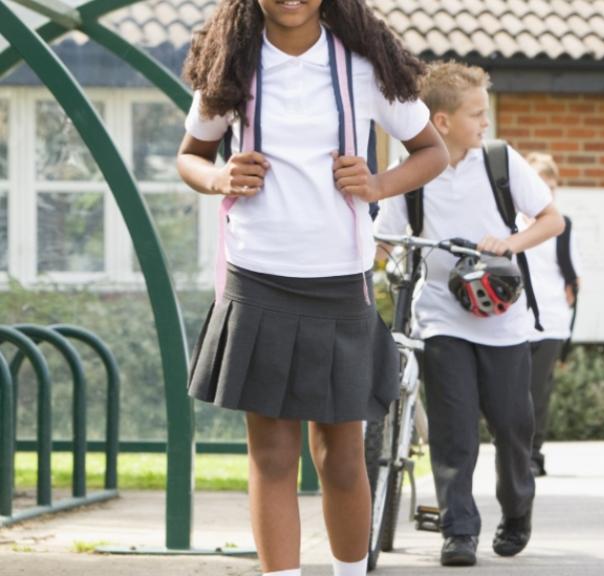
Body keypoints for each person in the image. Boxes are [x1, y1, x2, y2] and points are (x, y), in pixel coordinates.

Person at [176, 0, 448, 574]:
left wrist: (377, 184)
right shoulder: (229, 64)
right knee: (272, 456)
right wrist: (219, 176)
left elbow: (432, 151)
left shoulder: (366, 67)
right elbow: (191, 157)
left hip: (338, 280)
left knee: (342, 456)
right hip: (257, 276)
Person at [374, 61, 564, 567]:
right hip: (440, 315)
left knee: (512, 425)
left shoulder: (500, 161)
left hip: (503, 319)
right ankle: (458, 531)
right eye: (476, 114)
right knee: (455, 431)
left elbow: (552, 220)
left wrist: (510, 241)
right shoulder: (415, 173)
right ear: (441, 122)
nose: (486, 122)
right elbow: (384, 240)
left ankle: (517, 509)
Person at [522, 152, 581, 478]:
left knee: (538, 390)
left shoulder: (562, 226)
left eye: (552, 188)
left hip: (552, 320)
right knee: (514, 390)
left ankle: (533, 452)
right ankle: (516, 448)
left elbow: (575, 277)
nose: (546, 193)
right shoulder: (510, 223)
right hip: (515, 321)